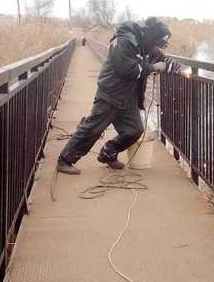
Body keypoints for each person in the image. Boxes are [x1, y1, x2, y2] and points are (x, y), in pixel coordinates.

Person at [57, 17, 179, 175]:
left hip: (127, 98)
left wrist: (176, 67)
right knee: (92, 129)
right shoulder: (125, 41)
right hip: (111, 94)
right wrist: (154, 67)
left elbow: (160, 58)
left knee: (134, 130)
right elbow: (128, 69)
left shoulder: (145, 45)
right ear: (153, 36)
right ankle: (65, 160)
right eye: (158, 43)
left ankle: (108, 153)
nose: (158, 47)